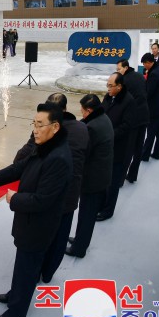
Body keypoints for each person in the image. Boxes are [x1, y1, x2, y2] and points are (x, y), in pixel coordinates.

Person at [0, 103, 72, 317]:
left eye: (40, 125)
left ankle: (16, 312)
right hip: (29, 222)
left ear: (55, 127)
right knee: (23, 264)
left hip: (39, 224)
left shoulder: (58, 158)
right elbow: (18, 168)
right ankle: (16, 293)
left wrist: (14, 199)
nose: (35, 130)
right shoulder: (44, 146)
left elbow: (44, 199)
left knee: (28, 267)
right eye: (33, 124)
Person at [12, 93, 87, 283]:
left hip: (51, 192)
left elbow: (26, 154)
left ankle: (38, 273)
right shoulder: (81, 128)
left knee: (45, 236)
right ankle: (47, 272)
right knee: (59, 236)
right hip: (70, 193)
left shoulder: (56, 137)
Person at [67, 94, 113, 258]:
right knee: (87, 214)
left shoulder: (94, 127)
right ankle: (79, 240)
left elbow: (84, 151)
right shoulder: (102, 118)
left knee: (86, 216)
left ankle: (79, 248)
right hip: (100, 175)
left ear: (89, 110)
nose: (82, 114)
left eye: (83, 111)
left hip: (93, 179)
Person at [97, 72, 137, 221]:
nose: (108, 88)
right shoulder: (108, 97)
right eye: (107, 85)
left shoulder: (129, 101)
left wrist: (109, 134)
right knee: (103, 179)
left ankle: (108, 211)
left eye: (110, 85)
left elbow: (127, 126)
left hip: (118, 148)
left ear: (119, 87)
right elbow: (100, 112)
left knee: (113, 182)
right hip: (105, 147)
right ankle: (100, 206)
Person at [140, 53, 159, 161]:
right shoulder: (157, 70)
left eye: (144, 64)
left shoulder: (153, 74)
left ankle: (145, 155)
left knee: (151, 132)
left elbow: (149, 92)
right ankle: (156, 153)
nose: (144, 66)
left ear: (148, 62)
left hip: (155, 108)